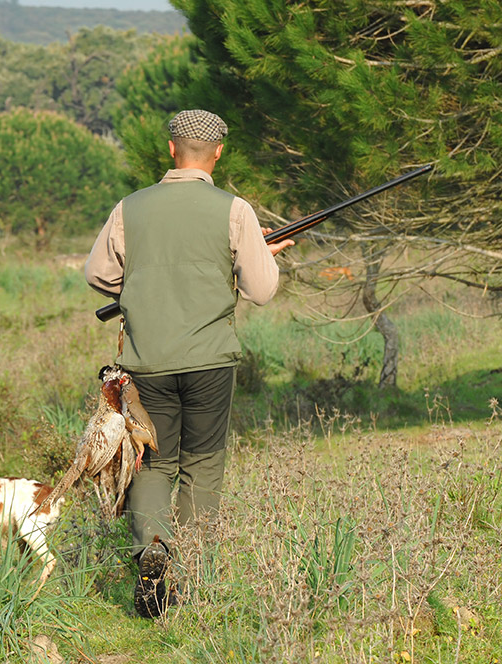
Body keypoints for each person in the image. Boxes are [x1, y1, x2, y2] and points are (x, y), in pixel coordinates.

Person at [84, 109, 294, 618]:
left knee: (153, 463)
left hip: (147, 363)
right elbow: (262, 290)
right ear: (218, 152)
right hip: (209, 364)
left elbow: (98, 277)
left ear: (171, 149)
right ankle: (191, 577)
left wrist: (144, 291)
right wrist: (261, 255)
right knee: (202, 467)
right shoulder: (235, 210)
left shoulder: (129, 208)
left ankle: (153, 551)